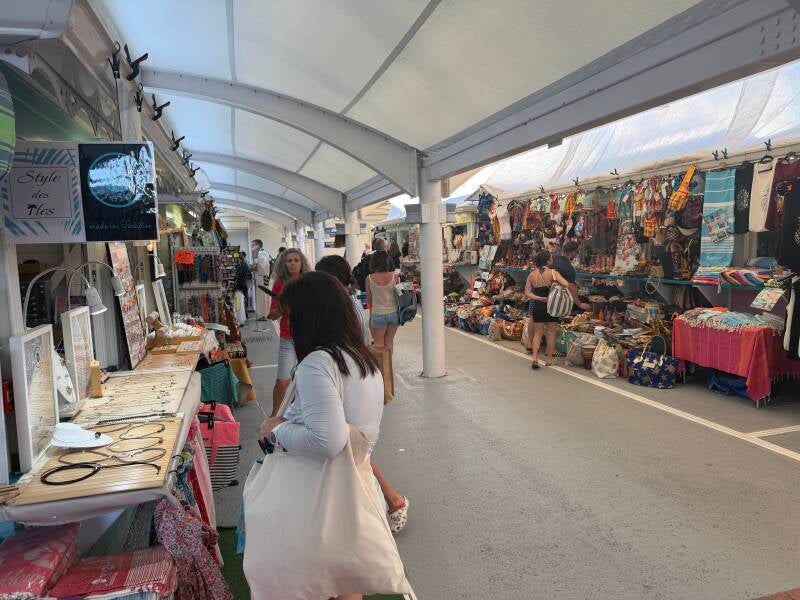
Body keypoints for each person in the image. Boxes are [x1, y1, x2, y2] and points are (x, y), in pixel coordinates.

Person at [256, 271, 405, 598]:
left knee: (316, 582)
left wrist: (277, 428)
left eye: (292, 315)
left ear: (308, 316)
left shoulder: (317, 364)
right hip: (355, 488)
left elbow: (327, 441)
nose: (288, 325)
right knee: (345, 580)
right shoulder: (361, 358)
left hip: (319, 493)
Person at [315, 255, 409, 532]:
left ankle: (389, 503)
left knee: (354, 452)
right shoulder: (386, 280)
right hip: (362, 372)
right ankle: (389, 502)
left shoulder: (349, 302)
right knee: (354, 453)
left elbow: (359, 343)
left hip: (351, 381)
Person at [268, 248, 311, 416]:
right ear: (284, 264)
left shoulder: (309, 282)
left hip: (309, 338)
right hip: (287, 339)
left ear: (302, 263)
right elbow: (272, 315)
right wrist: (282, 308)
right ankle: (274, 417)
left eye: (296, 260)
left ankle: (304, 414)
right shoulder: (279, 283)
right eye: (289, 261)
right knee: (282, 382)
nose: (293, 263)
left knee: (307, 380)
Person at [525, 250, 577, 369]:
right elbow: (566, 284)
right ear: (548, 261)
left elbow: (527, 292)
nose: (552, 259)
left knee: (538, 333)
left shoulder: (532, 275)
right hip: (552, 306)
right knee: (551, 332)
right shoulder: (553, 273)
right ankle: (549, 359)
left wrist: (539, 298)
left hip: (538, 306)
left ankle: (535, 359)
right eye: (551, 258)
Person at [366, 250, 400, 353]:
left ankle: (381, 364)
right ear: (386, 262)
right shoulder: (394, 276)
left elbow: (369, 300)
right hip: (394, 313)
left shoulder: (369, 278)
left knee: (378, 344)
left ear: (373, 262)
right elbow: (398, 295)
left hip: (378, 313)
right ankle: (389, 363)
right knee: (389, 341)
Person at [552, 240, 591, 312]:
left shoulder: (554, 259)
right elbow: (570, 287)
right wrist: (580, 304)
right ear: (573, 252)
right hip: (560, 301)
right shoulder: (569, 268)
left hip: (549, 297)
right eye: (577, 252)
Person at [250, 240, 270, 320]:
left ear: (258, 246)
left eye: (253, 245)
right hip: (261, 277)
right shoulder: (259, 253)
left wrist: (254, 267)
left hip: (262, 277)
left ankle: (263, 315)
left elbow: (262, 266)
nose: (251, 247)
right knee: (261, 296)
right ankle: (263, 314)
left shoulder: (262, 253)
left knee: (262, 296)